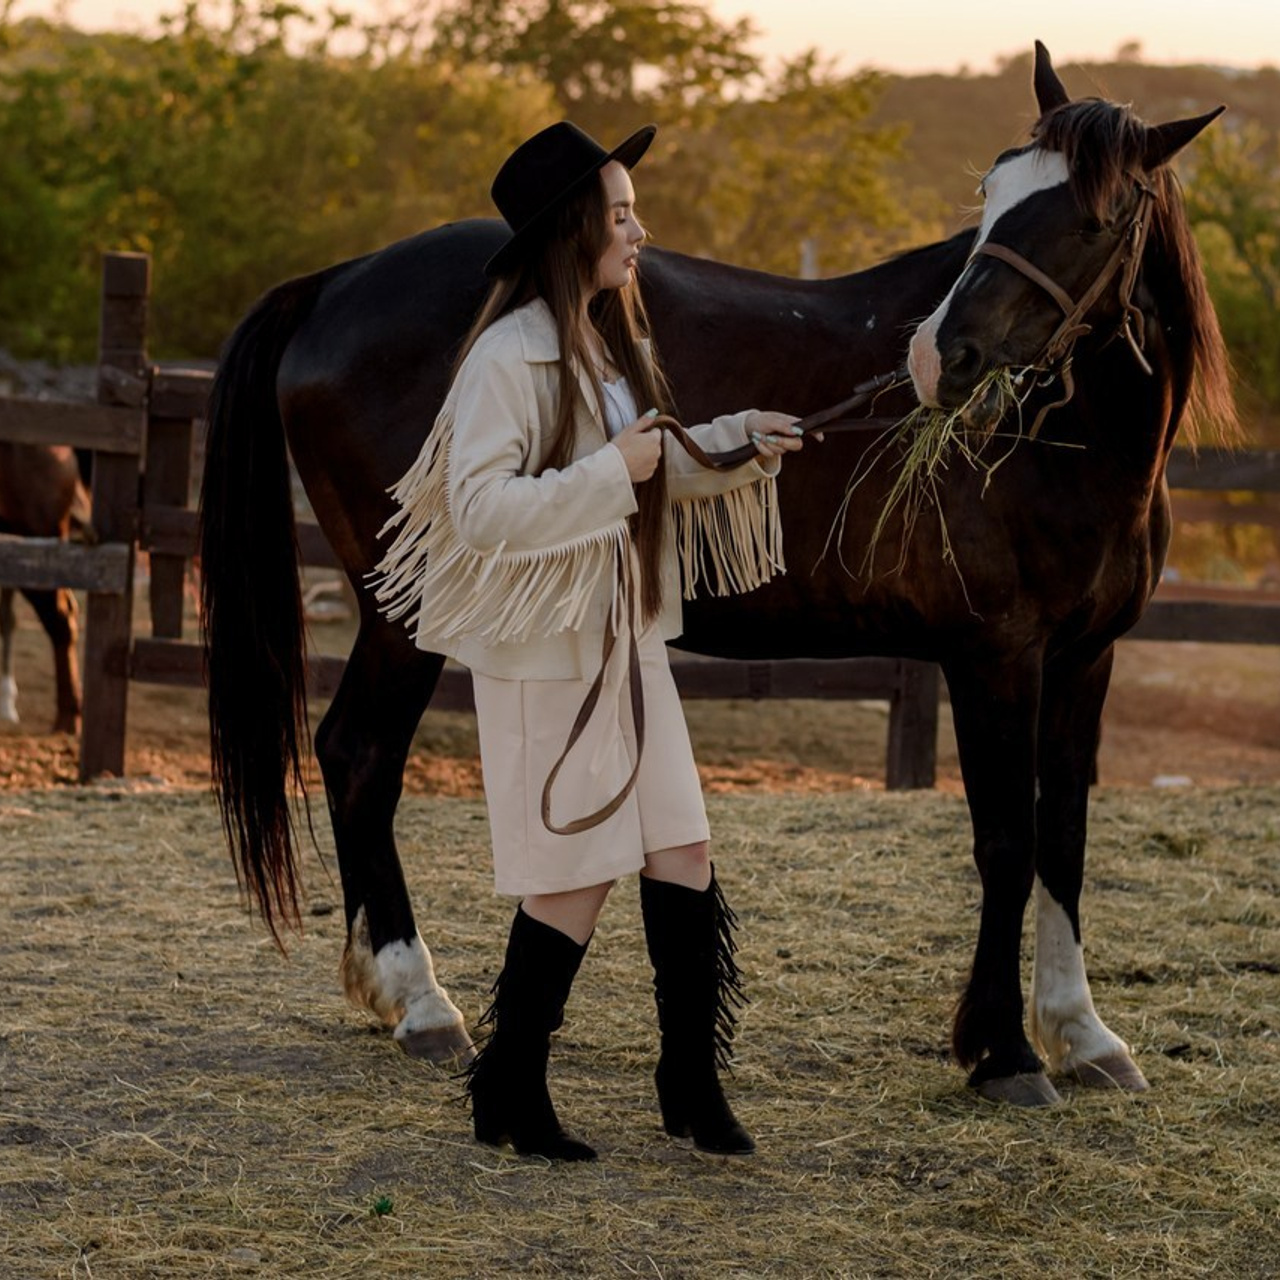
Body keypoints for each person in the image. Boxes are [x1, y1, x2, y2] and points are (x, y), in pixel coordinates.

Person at [373, 121, 811, 1161]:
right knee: (573, 873)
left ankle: (688, 1081)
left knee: (683, 851)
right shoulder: (504, 357)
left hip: (622, 640)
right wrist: (616, 470)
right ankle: (510, 1086)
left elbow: (649, 461)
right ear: (573, 228)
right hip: (550, 653)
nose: (636, 229)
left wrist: (741, 440)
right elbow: (482, 508)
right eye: (618, 213)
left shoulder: (606, 345)